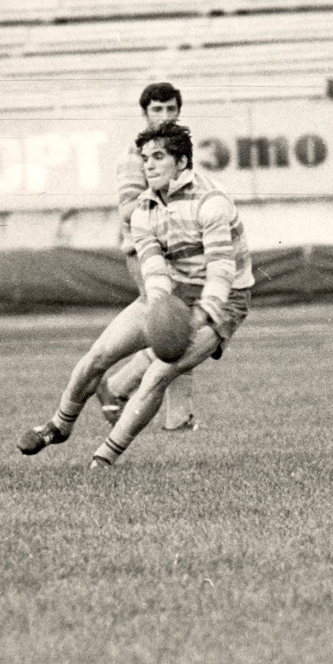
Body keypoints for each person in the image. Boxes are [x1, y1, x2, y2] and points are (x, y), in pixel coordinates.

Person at [18, 121, 254, 468]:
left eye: (158, 157)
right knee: (97, 356)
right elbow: (154, 272)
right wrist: (160, 309)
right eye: (145, 159)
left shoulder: (211, 201)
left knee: (159, 374)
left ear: (182, 162)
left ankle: (103, 460)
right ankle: (59, 425)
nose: (149, 166)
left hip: (224, 299)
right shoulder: (144, 210)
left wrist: (202, 314)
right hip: (175, 294)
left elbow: (222, 269)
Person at [96, 81, 196, 432]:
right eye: (157, 109)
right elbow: (127, 210)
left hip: (172, 249)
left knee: (182, 328)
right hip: (143, 251)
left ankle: (122, 387)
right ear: (144, 113)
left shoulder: (177, 151)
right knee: (177, 328)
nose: (164, 115)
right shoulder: (134, 156)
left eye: (170, 109)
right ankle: (171, 413)